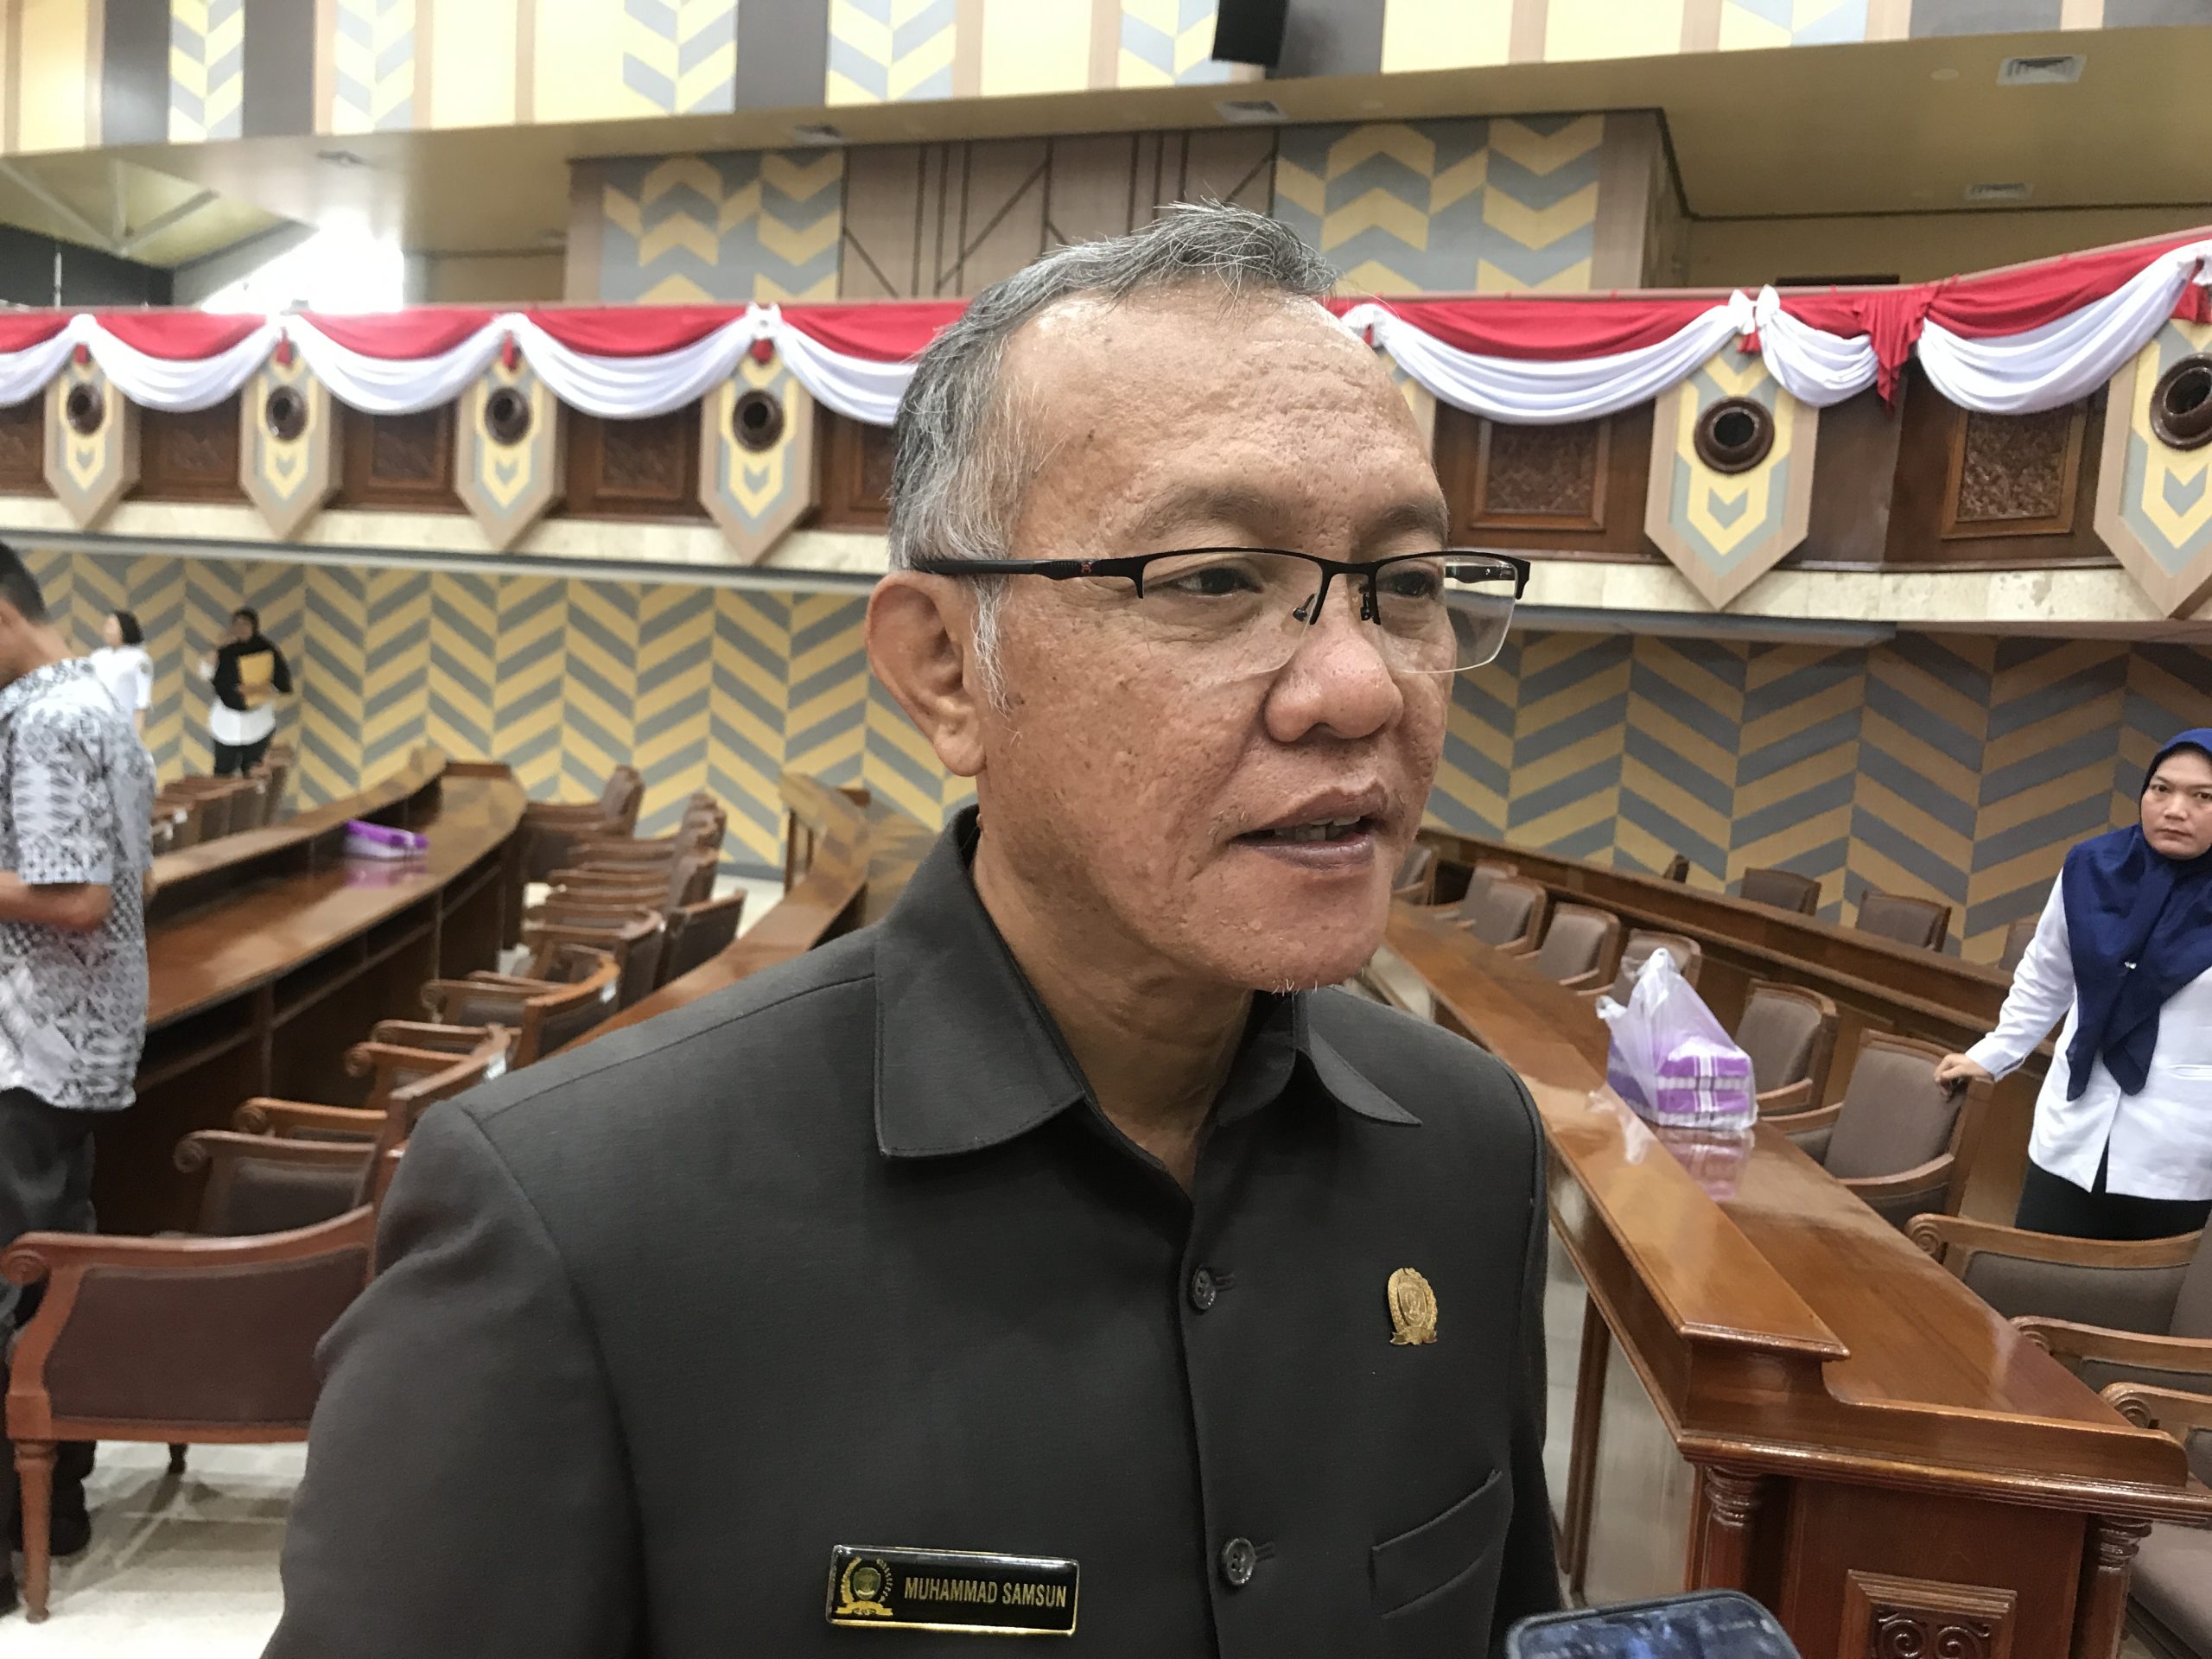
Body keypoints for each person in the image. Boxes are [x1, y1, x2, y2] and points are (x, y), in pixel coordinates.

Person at [266, 206, 1558, 1657]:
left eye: (1406, 586)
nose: (1361, 688)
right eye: (1211, 580)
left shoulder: (1471, 1154)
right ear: (946, 668)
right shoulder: (574, 1227)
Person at [0, 544, 156, 1616]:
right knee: (50, 1284)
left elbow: (76, 897)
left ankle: (9, 1539)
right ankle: (53, 1511)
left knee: (15, 1290)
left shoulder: (46, 721)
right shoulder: (96, 700)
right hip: (75, 1044)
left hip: (30, 1044)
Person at [1937, 730, 2212, 1239]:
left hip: (2182, 1144)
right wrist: (1995, 1052)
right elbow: (2046, 974)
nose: (2176, 810)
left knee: (2142, 1287)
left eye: (2203, 797)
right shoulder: (2091, 867)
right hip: (2072, 1121)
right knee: (2032, 1271)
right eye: (2161, 789)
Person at [198, 607, 291, 776]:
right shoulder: (223, 650)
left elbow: (281, 686)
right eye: (236, 624)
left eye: (245, 624)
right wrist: (217, 647)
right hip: (225, 724)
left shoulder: (267, 650)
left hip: (258, 725)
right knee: (222, 774)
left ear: (254, 626)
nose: (240, 628)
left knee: (253, 774)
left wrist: (255, 689)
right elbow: (205, 674)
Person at [86, 609, 152, 740]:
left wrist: (137, 737)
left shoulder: (140, 659)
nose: (106, 630)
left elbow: (142, 701)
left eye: (111, 626)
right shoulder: (97, 657)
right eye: (105, 626)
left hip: (123, 729)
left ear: (125, 629)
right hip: (95, 727)